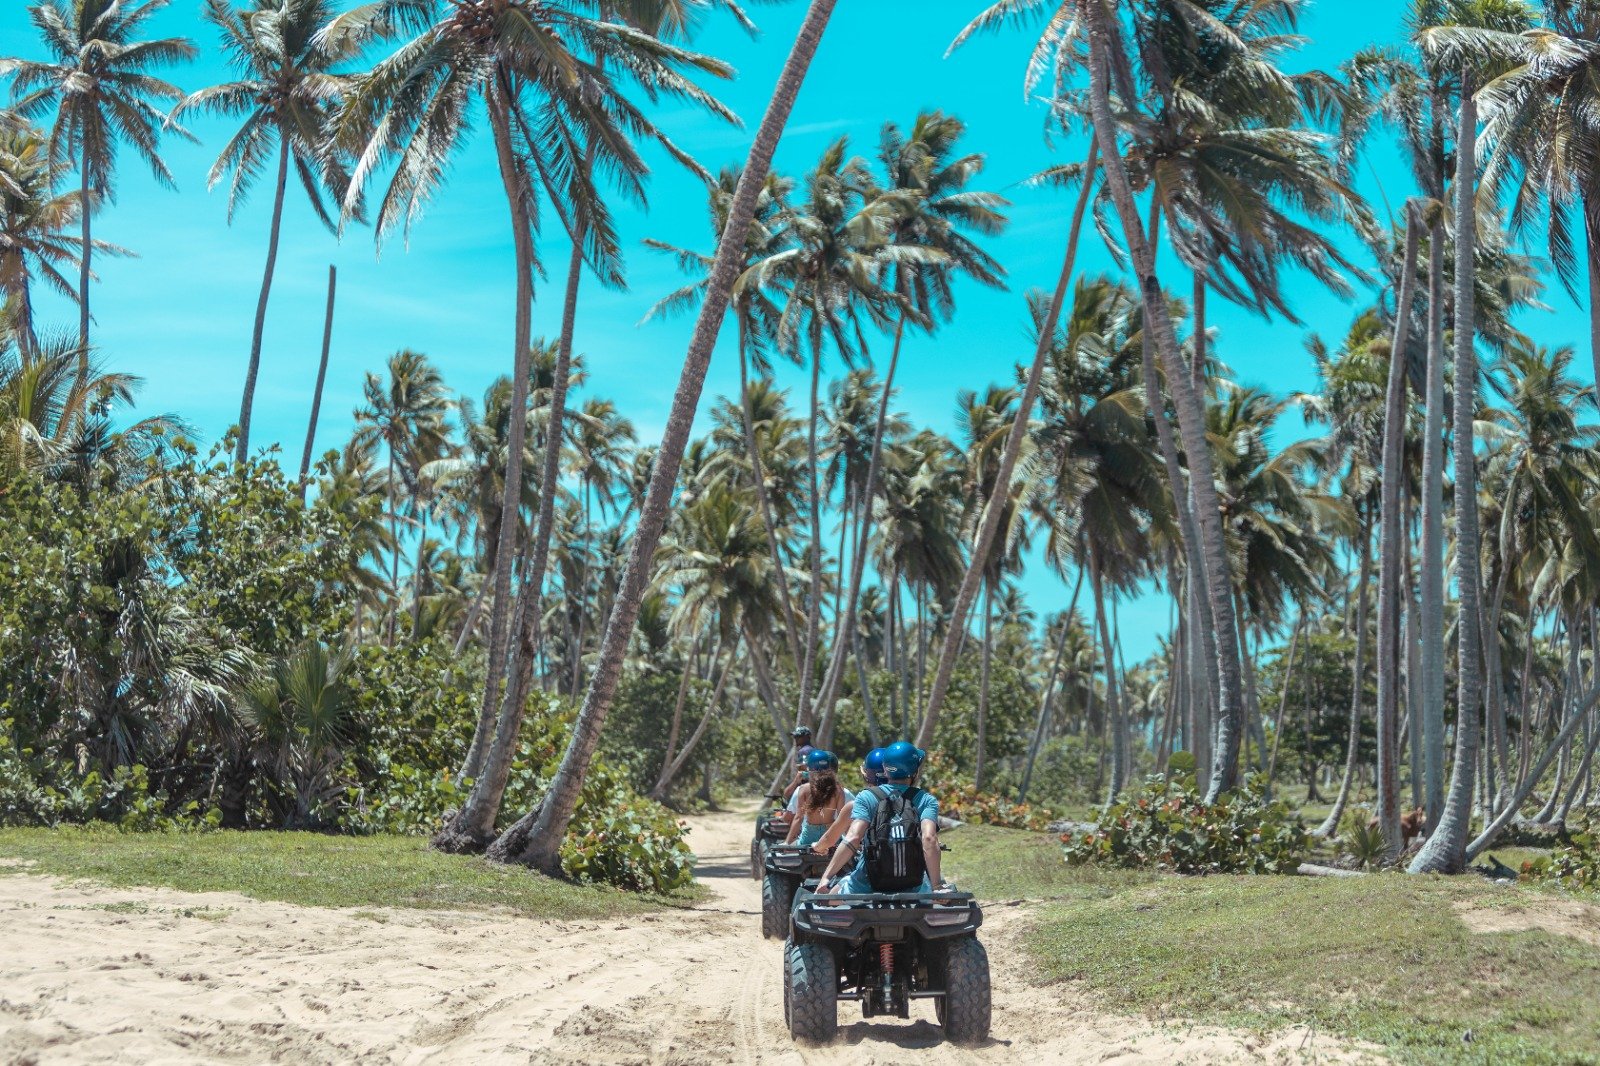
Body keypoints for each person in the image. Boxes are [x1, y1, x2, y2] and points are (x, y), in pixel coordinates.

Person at [816, 741, 947, 896]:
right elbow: (929, 839)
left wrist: (826, 878)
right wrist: (937, 886)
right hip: (913, 885)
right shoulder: (926, 799)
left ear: (885, 769)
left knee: (826, 905)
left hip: (866, 882)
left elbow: (853, 838)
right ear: (915, 771)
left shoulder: (866, 797)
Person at [808, 747, 884, 854]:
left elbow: (852, 837)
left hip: (873, 863)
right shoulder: (913, 797)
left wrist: (818, 847)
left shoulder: (861, 801)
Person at [785, 750, 853, 848]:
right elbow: (841, 818)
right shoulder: (838, 790)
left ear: (810, 768)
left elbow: (798, 818)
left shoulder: (804, 789)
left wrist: (787, 842)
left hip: (809, 836)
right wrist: (850, 840)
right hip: (831, 836)